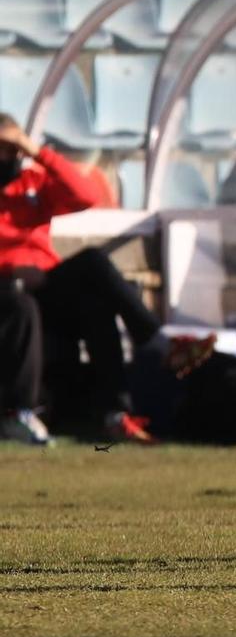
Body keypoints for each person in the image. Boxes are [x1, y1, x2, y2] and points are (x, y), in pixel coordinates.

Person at [0, 115, 159, 445]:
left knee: (93, 276)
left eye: (14, 149)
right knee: (22, 303)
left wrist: (37, 150)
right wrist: (10, 270)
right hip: (8, 291)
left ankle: (120, 409)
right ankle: (19, 414)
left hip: (46, 282)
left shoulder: (31, 182)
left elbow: (85, 195)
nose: (10, 157)